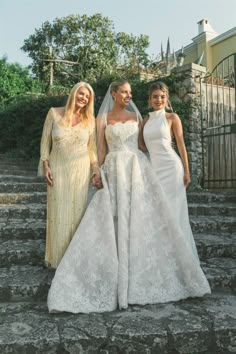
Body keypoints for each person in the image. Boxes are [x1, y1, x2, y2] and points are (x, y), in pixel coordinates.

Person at [47, 79, 210, 314]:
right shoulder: (101, 119)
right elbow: (100, 150)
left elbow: (144, 146)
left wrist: (172, 166)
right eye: (124, 92)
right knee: (113, 219)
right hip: (114, 169)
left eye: (130, 92)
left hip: (137, 170)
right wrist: (97, 172)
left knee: (142, 219)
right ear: (113, 94)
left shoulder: (137, 119)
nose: (128, 96)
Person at [38, 81, 100, 269]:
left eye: (87, 97)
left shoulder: (90, 120)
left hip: (80, 173)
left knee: (76, 216)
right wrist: (46, 166)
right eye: (81, 94)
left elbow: (93, 150)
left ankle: (73, 262)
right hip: (57, 170)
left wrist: (96, 169)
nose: (83, 98)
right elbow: (44, 144)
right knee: (58, 215)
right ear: (73, 93)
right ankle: (57, 259)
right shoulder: (53, 113)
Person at [143, 81, 198, 258]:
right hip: (154, 170)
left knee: (174, 211)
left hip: (172, 168)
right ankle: (162, 254)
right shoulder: (145, 121)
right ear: (149, 100)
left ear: (166, 99)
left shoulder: (172, 118)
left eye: (162, 96)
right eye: (155, 97)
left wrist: (187, 171)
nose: (159, 100)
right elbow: (141, 147)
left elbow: (181, 146)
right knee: (157, 211)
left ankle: (179, 254)